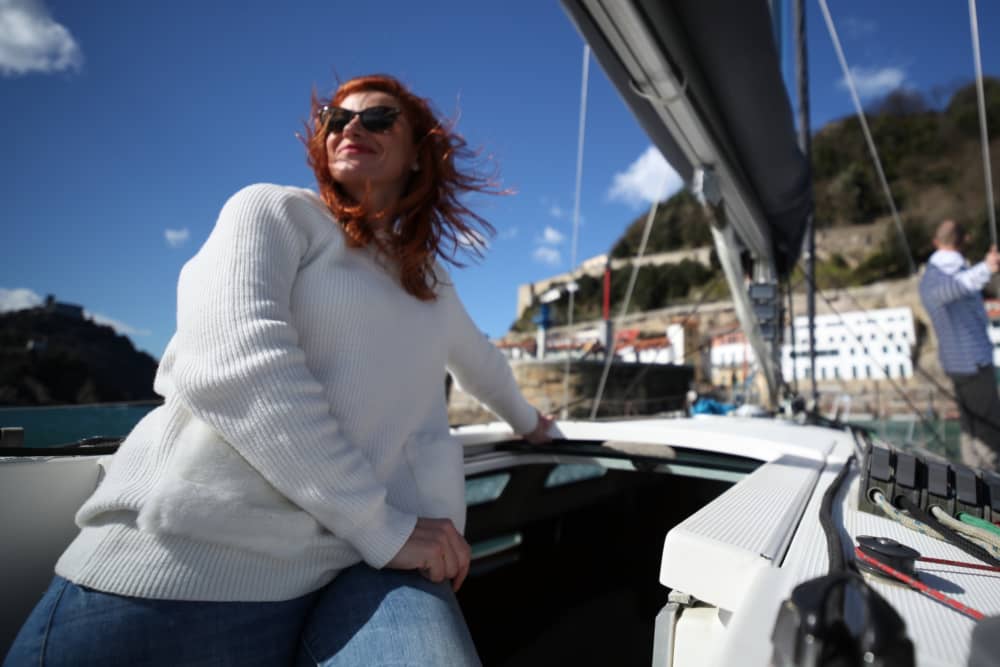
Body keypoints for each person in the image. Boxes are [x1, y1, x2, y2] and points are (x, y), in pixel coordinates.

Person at [4, 74, 553, 666]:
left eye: (378, 118)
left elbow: (484, 368)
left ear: (419, 151)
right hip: (192, 564)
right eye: (337, 119)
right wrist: (381, 524)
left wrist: (533, 424)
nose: (351, 129)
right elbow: (236, 362)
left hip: (358, 564)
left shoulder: (430, 284)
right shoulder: (275, 210)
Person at [918, 219, 1000, 470]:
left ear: (935, 241)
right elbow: (948, 291)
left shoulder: (944, 271)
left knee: (971, 427)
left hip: (961, 364)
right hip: (971, 364)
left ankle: (975, 478)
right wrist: (986, 268)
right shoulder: (939, 276)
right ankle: (993, 482)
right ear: (964, 241)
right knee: (989, 429)